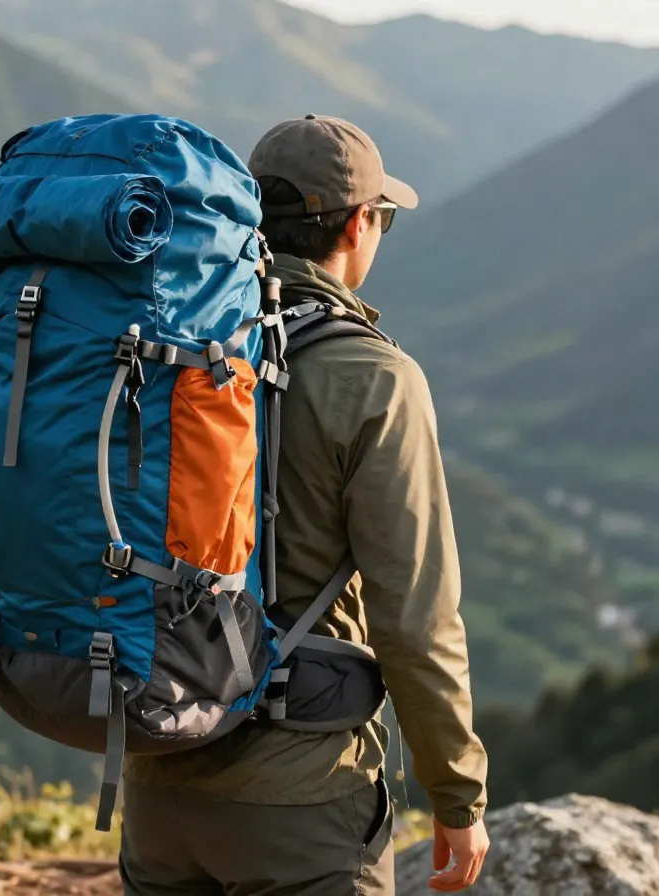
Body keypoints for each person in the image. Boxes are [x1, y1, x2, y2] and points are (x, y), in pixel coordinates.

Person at [119, 114, 490, 895]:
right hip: (301, 799)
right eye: (381, 216)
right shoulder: (371, 378)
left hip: (158, 769)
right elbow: (416, 617)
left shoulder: (168, 344)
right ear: (359, 224)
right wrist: (457, 793)